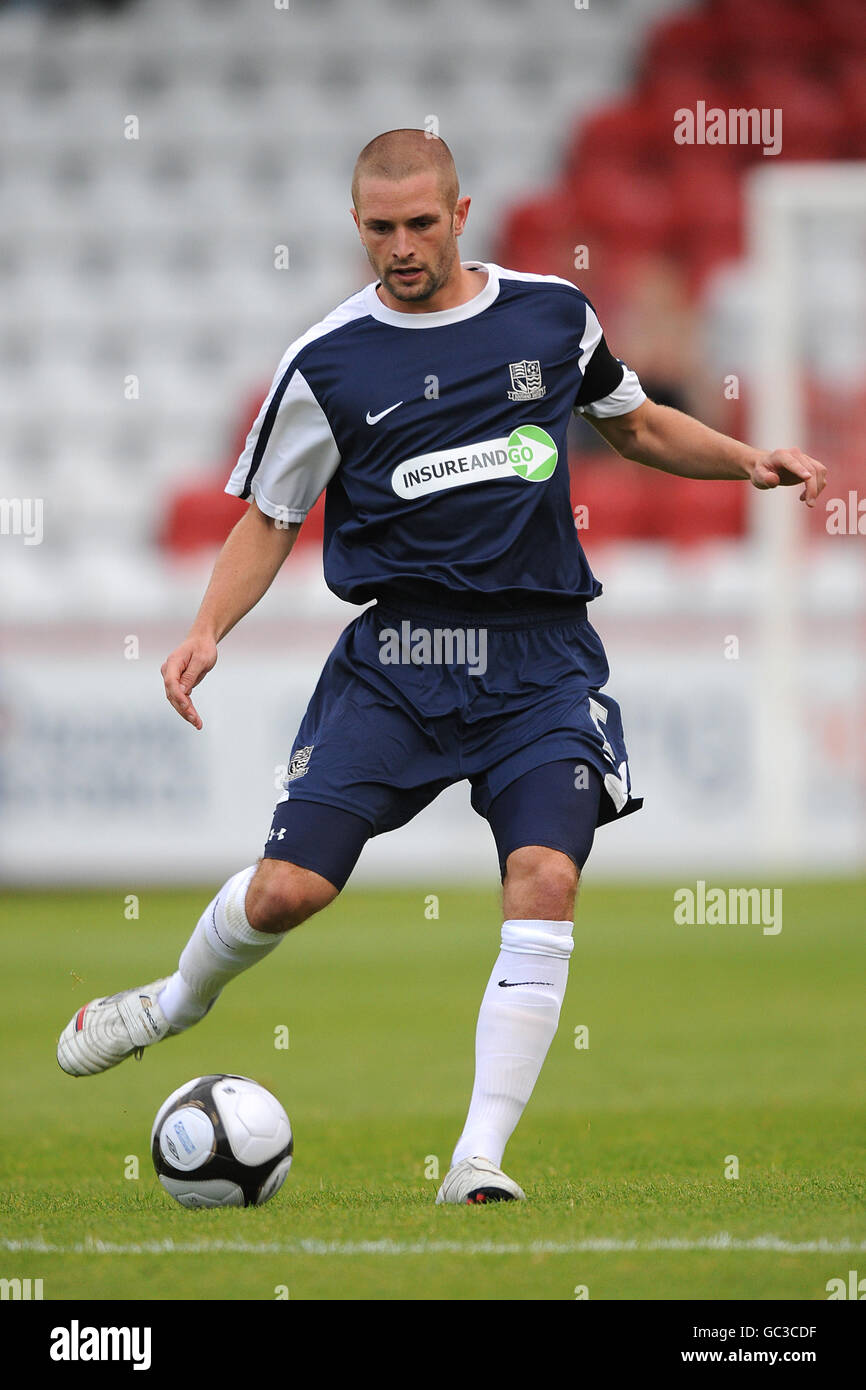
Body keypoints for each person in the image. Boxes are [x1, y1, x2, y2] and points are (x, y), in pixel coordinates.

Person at [57, 130, 825, 1205]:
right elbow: (270, 517)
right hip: (398, 662)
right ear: (357, 227)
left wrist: (743, 456)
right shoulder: (325, 360)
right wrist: (204, 630)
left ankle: (475, 1159)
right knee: (286, 891)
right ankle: (177, 1001)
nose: (402, 246)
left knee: (543, 878)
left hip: (541, 658)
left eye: (421, 223)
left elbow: (635, 422)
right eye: (380, 228)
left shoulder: (552, 316)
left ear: (461, 215)